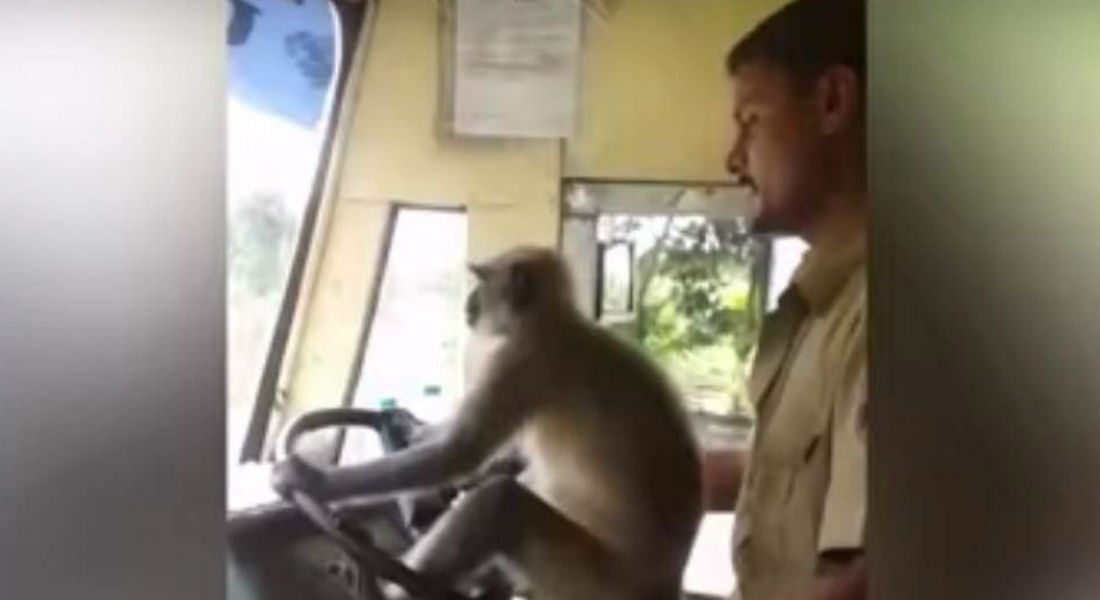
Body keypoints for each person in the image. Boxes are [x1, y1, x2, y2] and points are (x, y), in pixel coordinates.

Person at [704, 1, 868, 599]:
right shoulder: (824, 302)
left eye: (751, 121)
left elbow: (865, 581)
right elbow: (799, 475)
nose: (733, 159)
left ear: (832, 101)